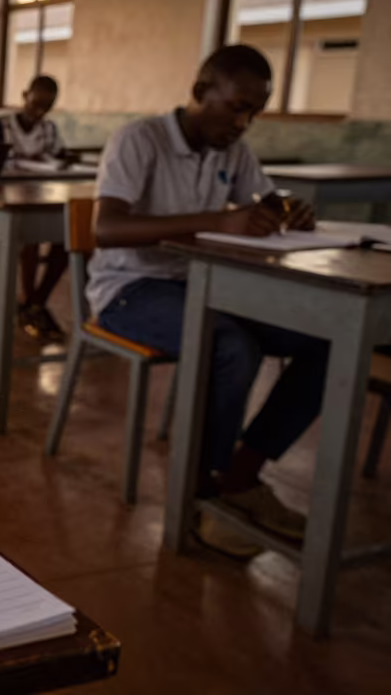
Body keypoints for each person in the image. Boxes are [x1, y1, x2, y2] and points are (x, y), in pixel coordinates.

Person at [89, 44, 325, 559]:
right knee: (230, 345)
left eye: (254, 112)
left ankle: (242, 476)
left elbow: (263, 197)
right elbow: (106, 229)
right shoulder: (140, 139)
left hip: (203, 287)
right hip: (129, 290)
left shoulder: (231, 151)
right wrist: (217, 222)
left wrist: (288, 210)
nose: (243, 123)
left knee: (323, 341)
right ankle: (203, 494)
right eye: (236, 106)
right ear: (200, 93)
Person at [0, 75, 71, 343]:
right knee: (31, 239)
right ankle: (30, 303)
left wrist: (61, 161)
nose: (39, 112)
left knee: (67, 237)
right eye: (36, 104)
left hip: (41, 195)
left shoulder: (49, 129)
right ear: (24, 96)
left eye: (46, 107)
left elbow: (58, 156)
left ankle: (35, 302)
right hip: (6, 199)